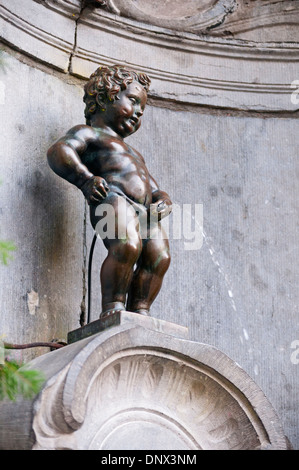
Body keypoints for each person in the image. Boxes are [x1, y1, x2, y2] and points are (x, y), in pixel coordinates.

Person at [47, 65, 172, 318]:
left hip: (145, 212)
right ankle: (113, 307)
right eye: (134, 102)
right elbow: (60, 151)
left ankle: (140, 309)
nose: (138, 113)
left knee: (159, 255)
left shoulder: (135, 153)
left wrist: (163, 199)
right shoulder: (89, 133)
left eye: (142, 109)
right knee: (126, 245)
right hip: (113, 198)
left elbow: (154, 187)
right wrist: (85, 180)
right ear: (104, 97)